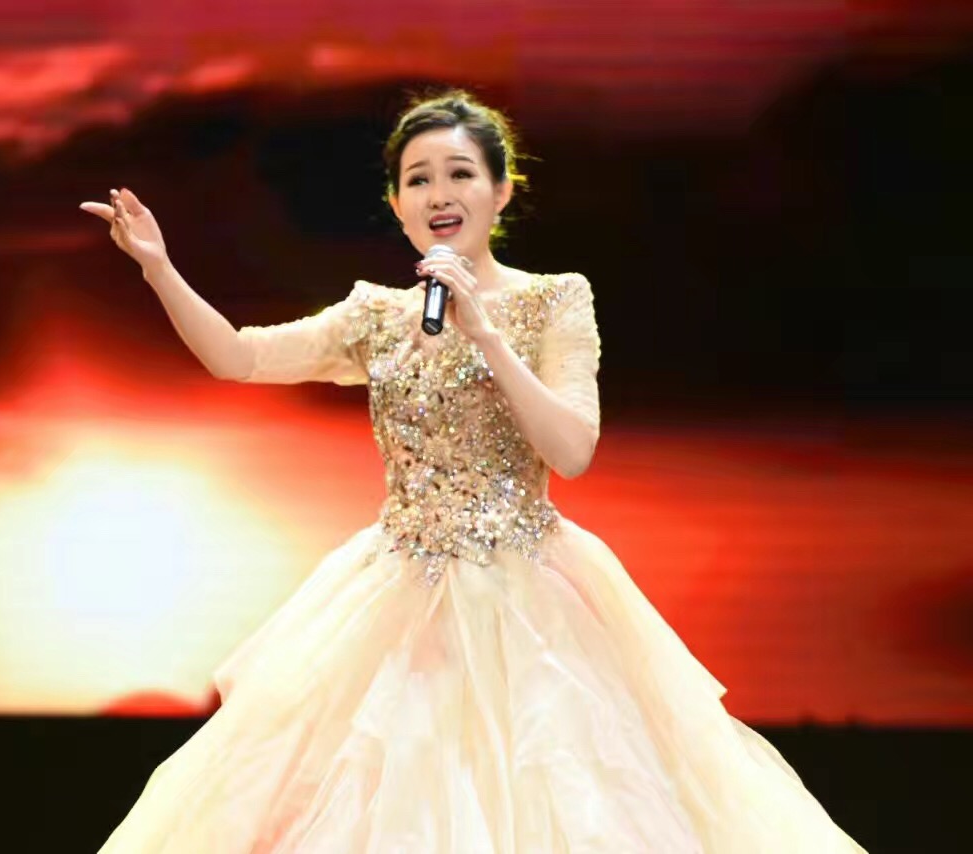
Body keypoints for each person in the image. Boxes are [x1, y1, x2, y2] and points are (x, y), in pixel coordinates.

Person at [79, 90, 867, 853]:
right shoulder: (376, 317)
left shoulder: (554, 302)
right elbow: (238, 356)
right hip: (396, 604)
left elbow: (572, 450)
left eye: (459, 173)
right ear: (396, 204)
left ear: (500, 191)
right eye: (418, 179)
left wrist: (485, 334)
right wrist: (159, 267)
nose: (439, 193)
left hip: (529, 604)